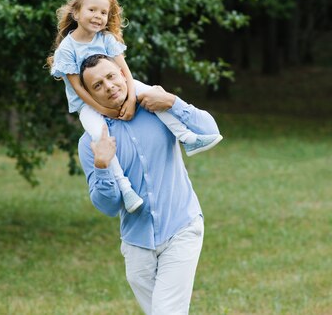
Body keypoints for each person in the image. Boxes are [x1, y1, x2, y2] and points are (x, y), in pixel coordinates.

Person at [47, 0, 222, 214]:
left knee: (154, 96)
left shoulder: (106, 38)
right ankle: (126, 189)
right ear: (76, 12)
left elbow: (125, 72)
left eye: (103, 12)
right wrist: (105, 109)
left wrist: (131, 98)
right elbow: (78, 88)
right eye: (92, 10)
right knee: (102, 138)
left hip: (122, 85)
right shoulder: (67, 49)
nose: (98, 16)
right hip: (87, 104)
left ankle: (187, 136)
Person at [76, 54, 222, 314]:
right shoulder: (92, 142)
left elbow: (210, 131)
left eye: (111, 76)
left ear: (123, 74)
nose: (108, 86)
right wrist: (102, 166)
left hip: (181, 228)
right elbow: (108, 206)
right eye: (97, 85)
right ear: (89, 96)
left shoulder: (157, 110)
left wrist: (173, 101)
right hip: (137, 245)